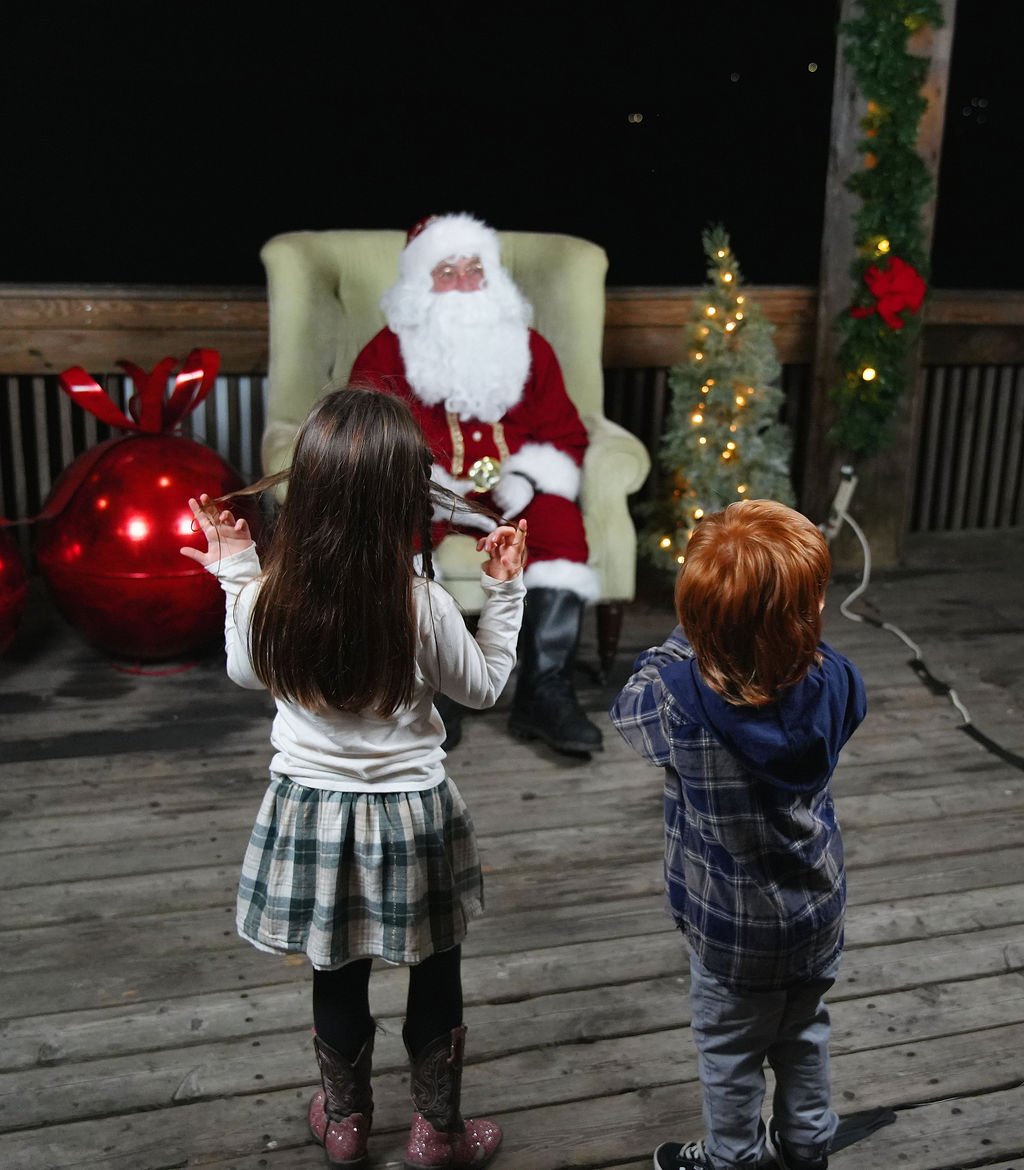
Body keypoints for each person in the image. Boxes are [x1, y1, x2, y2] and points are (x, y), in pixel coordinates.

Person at [180, 386, 527, 1170]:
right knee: (436, 967)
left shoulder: (272, 593)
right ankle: (436, 1133)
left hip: (310, 814)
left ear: (307, 489)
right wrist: (505, 592)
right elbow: (483, 689)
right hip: (412, 815)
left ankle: (345, 1124)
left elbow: (244, 671)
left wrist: (237, 574)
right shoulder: (423, 604)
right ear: (407, 499)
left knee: (335, 974)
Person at [608, 499, 867, 1170]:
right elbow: (822, 683)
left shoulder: (676, 701)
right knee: (803, 1033)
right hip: (816, 916)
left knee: (729, 1057)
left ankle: (735, 1159)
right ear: (808, 611)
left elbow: (627, 709)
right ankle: (807, 1145)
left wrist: (688, 640)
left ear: (700, 619)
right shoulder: (837, 681)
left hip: (731, 933)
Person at [349, 211, 602, 756]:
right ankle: (432, 690)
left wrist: (529, 477)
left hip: (512, 488)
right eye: (448, 272)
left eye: (474, 269)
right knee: (396, 536)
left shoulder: (530, 346)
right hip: (425, 490)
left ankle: (544, 692)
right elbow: (369, 434)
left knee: (561, 524)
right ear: (422, 283)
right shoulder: (386, 351)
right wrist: (431, 488)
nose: (465, 283)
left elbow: (565, 431)